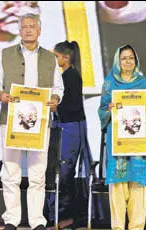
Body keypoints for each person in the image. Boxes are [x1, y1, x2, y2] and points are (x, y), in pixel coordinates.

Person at [0, 13, 64, 230]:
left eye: (32, 26)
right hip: (11, 120)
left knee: (37, 172)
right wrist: (0, 95)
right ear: (19, 31)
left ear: (40, 30)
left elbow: (58, 88)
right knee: (11, 170)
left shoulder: (50, 58)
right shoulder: (5, 54)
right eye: (24, 27)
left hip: (40, 122)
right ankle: (11, 219)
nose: (28, 30)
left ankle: (37, 221)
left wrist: (54, 99)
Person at [98, 44, 146, 230]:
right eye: (124, 58)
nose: (128, 61)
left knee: (138, 188)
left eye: (131, 58)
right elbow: (101, 111)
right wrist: (108, 110)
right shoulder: (109, 83)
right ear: (118, 60)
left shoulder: (143, 82)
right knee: (117, 187)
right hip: (118, 144)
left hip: (138, 144)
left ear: (136, 61)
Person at [43, 40, 98, 229]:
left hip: (70, 128)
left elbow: (72, 106)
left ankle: (64, 214)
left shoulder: (71, 76)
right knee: (60, 169)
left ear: (65, 57)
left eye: (55, 56)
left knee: (65, 170)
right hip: (65, 127)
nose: (53, 59)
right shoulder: (65, 76)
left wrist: (55, 107)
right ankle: (58, 212)